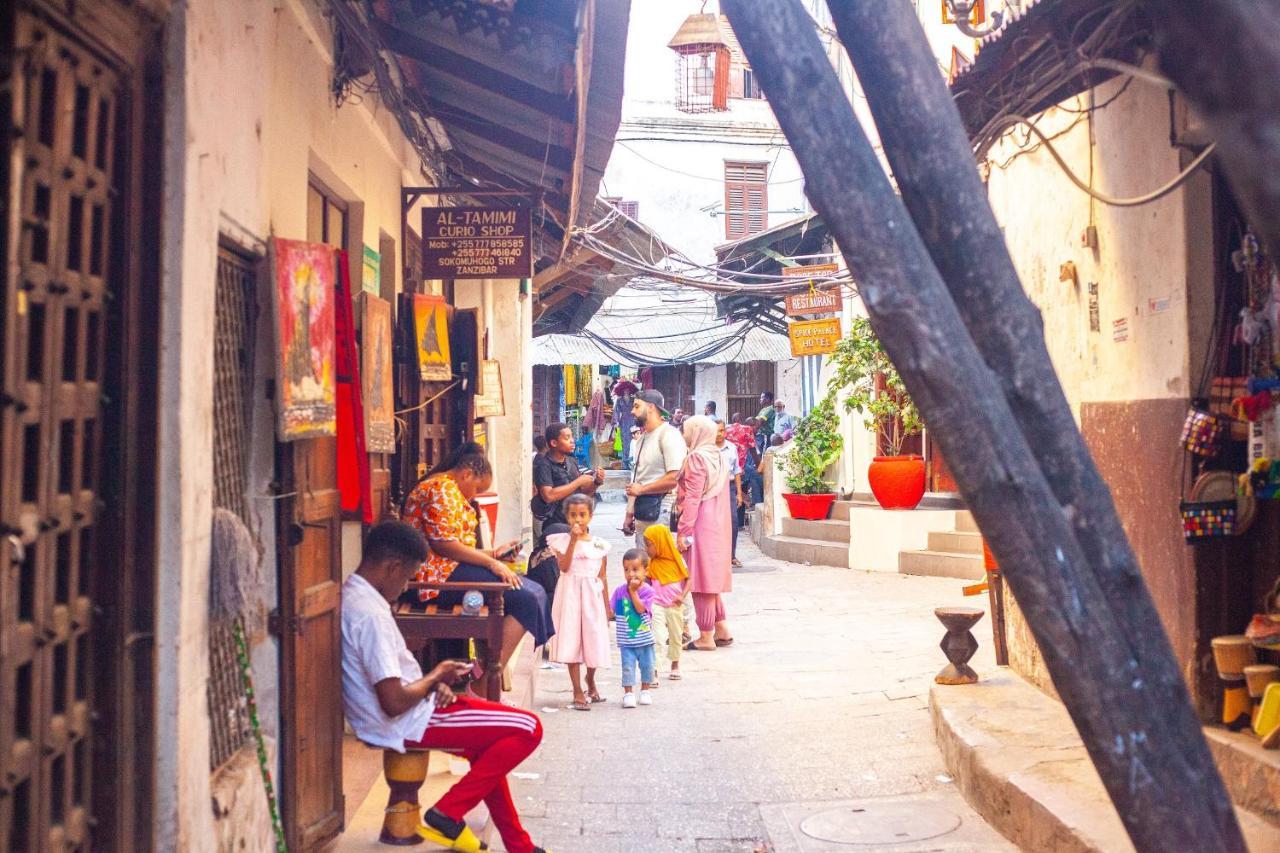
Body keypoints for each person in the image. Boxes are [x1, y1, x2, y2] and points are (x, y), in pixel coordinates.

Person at [340, 520, 550, 853]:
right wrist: (435, 676)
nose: (408, 583)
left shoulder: (357, 596)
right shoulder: (369, 615)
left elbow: (396, 685)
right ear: (392, 567)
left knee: (490, 747)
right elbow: (393, 701)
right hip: (406, 720)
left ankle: (520, 846)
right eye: (408, 574)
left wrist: (431, 683)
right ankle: (447, 812)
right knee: (528, 727)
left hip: (416, 709)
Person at [402, 444, 552, 673]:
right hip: (431, 579)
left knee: (534, 592)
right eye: (476, 489)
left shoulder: (448, 488)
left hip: (446, 570)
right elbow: (445, 546)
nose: (474, 496)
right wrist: (492, 563)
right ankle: (487, 679)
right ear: (466, 474)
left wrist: (495, 554)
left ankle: (489, 671)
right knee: (526, 598)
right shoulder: (440, 488)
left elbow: (455, 546)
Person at [676, 416, 735, 651]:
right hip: (720, 521)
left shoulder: (697, 458)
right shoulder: (718, 455)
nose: (685, 433)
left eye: (687, 430)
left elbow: (692, 498)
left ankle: (706, 636)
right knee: (712, 578)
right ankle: (721, 629)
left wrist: (684, 531)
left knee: (699, 579)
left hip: (702, 523)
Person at [548, 494, 611, 711]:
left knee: (594, 640)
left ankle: (590, 679)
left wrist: (608, 607)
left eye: (582, 515)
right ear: (566, 517)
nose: (578, 520)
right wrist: (573, 541)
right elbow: (564, 567)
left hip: (592, 597)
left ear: (590, 517)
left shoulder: (600, 545)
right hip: (570, 596)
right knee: (571, 641)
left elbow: (602, 576)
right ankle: (576, 689)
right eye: (573, 515)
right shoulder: (560, 542)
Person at [623, 389, 688, 547]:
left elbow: (674, 477)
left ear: (651, 407)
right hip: (644, 510)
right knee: (645, 565)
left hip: (663, 509)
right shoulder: (642, 439)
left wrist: (642, 490)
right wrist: (629, 514)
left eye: (637, 406)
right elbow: (637, 480)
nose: (632, 411)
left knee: (661, 565)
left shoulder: (669, 435)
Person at [532, 422, 603, 541]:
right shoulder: (543, 464)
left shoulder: (571, 461)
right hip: (555, 524)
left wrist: (596, 482)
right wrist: (578, 481)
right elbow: (548, 495)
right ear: (554, 443)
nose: (572, 441)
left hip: (575, 522)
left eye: (572, 437)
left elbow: (583, 494)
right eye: (567, 438)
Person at [643, 524, 690, 680]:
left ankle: (675, 664)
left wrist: (682, 596)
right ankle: (654, 670)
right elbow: (646, 583)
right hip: (656, 605)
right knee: (657, 637)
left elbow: (689, 579)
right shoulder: (651, 563)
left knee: (676, 636)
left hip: (675, 606)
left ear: (661, 543)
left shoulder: (677, 560)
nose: (646, 549)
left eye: (649, 545)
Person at [614, 548, 658, 708]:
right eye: (626, 570)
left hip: (645, 640)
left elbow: (640, 609)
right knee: (627, 668)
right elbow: (613, 611)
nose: (631, 574)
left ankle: (645, 691)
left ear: (645, 571)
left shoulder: (648, 591)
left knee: (647, 666)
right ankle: (628, 693)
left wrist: (633, 593)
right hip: (626, 640)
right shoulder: (619, 591)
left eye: (635, 569)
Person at [716, 419, 746, 569]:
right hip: (713, 488)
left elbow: (737, 471)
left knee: (733, 522)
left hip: (729, 487)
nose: (719, 434)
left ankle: (731, 556)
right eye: (716, 431)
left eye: (721, 430)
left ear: (725, 431)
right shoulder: (707, 448)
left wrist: (739, 494)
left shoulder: (731, 448)